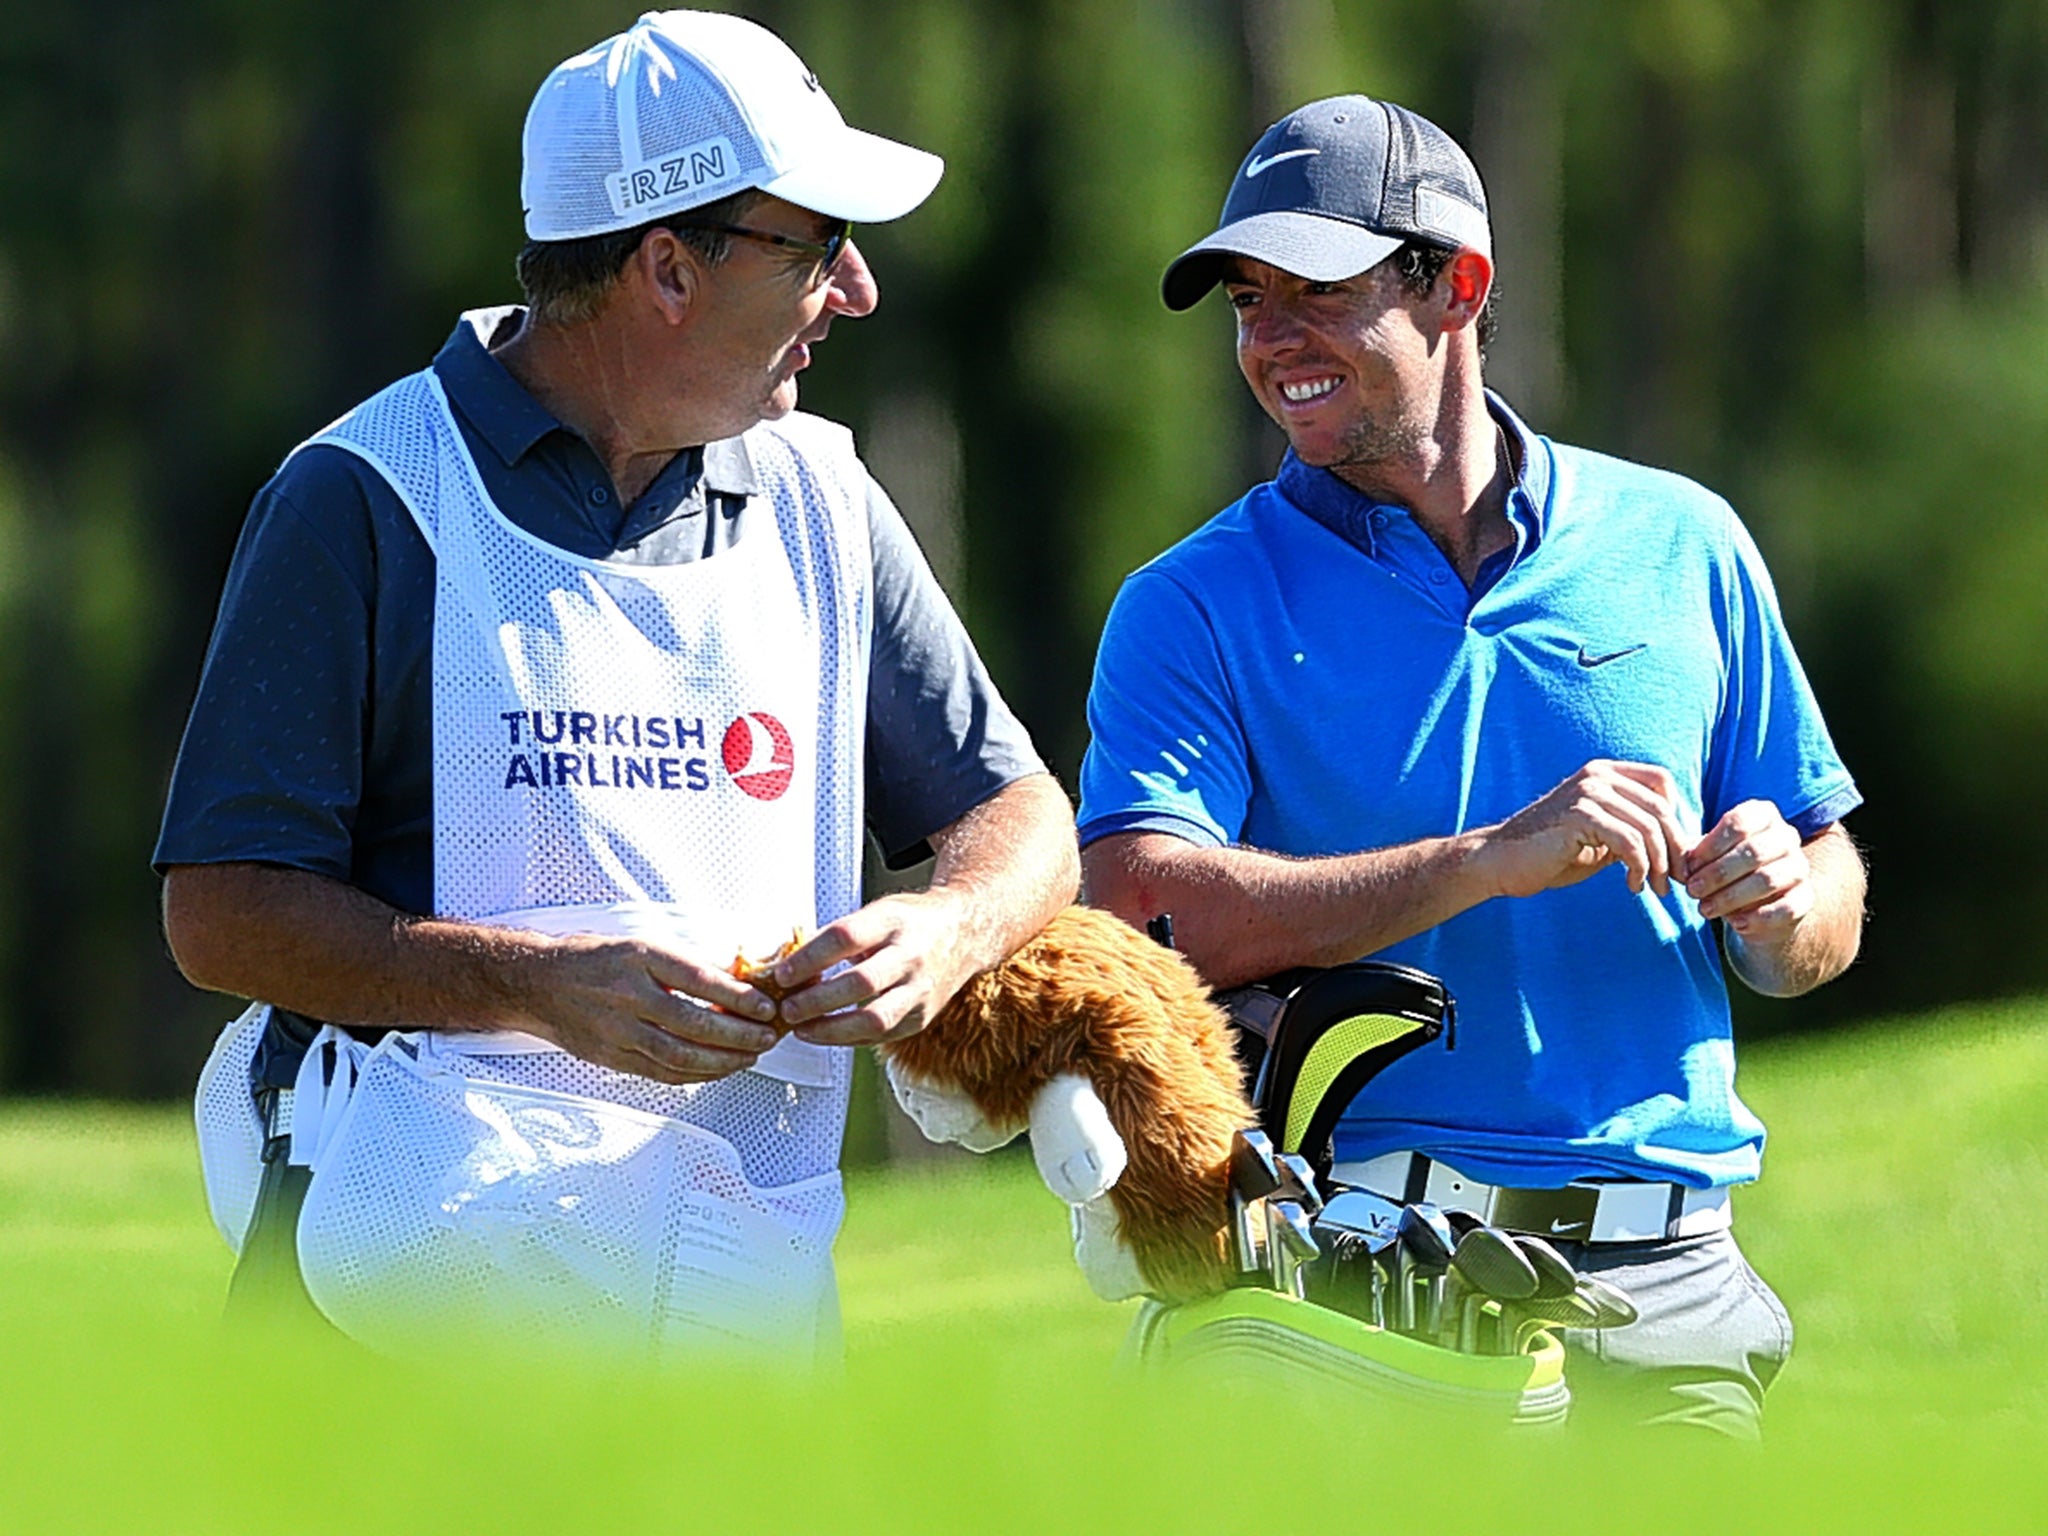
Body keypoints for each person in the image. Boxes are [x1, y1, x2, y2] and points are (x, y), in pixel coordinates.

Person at [156, 10, 1076, 1361]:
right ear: (665, 269)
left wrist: (947, 932)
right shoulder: (363, 496)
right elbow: (220, 914)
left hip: (739, 1314)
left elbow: (1021, 820)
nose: (857, 288)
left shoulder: (825, 498)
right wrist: (535, 986)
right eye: (816, 244)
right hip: (387, 1310)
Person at [1077, 95, 1864, 1436]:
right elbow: (1144, 912)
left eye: (1313, 291)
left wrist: (1790, 903)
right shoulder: (1192, 602)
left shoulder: (1685, 543)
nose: (1271, 342)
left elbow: (1824, 874)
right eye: (1246, 303)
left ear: (1458, 286)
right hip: (1356, 1277)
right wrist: (1480, 865)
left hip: (1669, 1284)